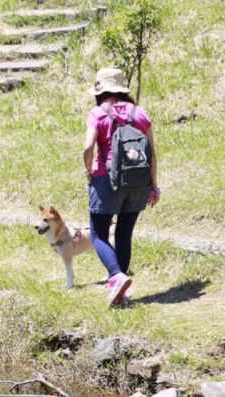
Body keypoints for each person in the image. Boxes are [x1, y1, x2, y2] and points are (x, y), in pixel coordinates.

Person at [82, 67, 159, 306]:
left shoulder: (97, 113)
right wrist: (154, 186)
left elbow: (87, 147)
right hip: (138, 181)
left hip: (107, 180)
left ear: (101, 91)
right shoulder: (140, 113)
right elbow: (152, 154)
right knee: (124, 232)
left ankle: (116, 276)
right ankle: (121, 290)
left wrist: (89, 171)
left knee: (98, 233)